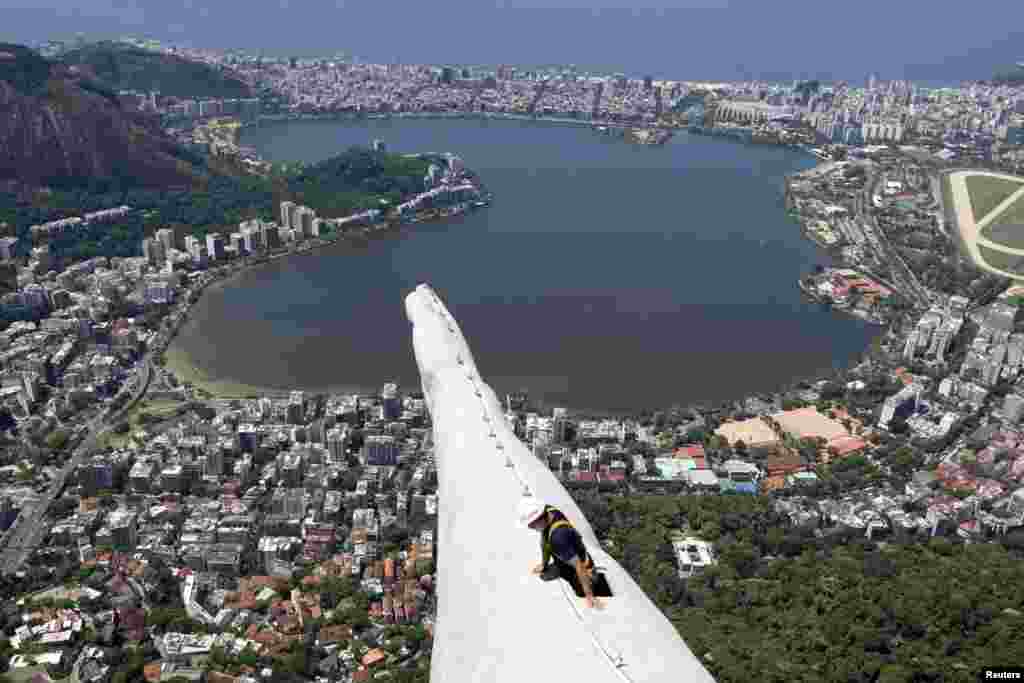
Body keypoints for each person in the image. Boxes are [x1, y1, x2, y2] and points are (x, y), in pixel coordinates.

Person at [518, 497, 611, 609]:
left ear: (540, 519)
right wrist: (544, 564)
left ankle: (590, 577)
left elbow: (578, 565)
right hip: (566, 551)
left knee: (548, 577)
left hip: (581, 564)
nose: (531, 528)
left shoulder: (558, 538)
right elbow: (544, 541)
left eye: (532, 525)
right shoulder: (549, 510)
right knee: (545, 572)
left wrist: (589, 595)